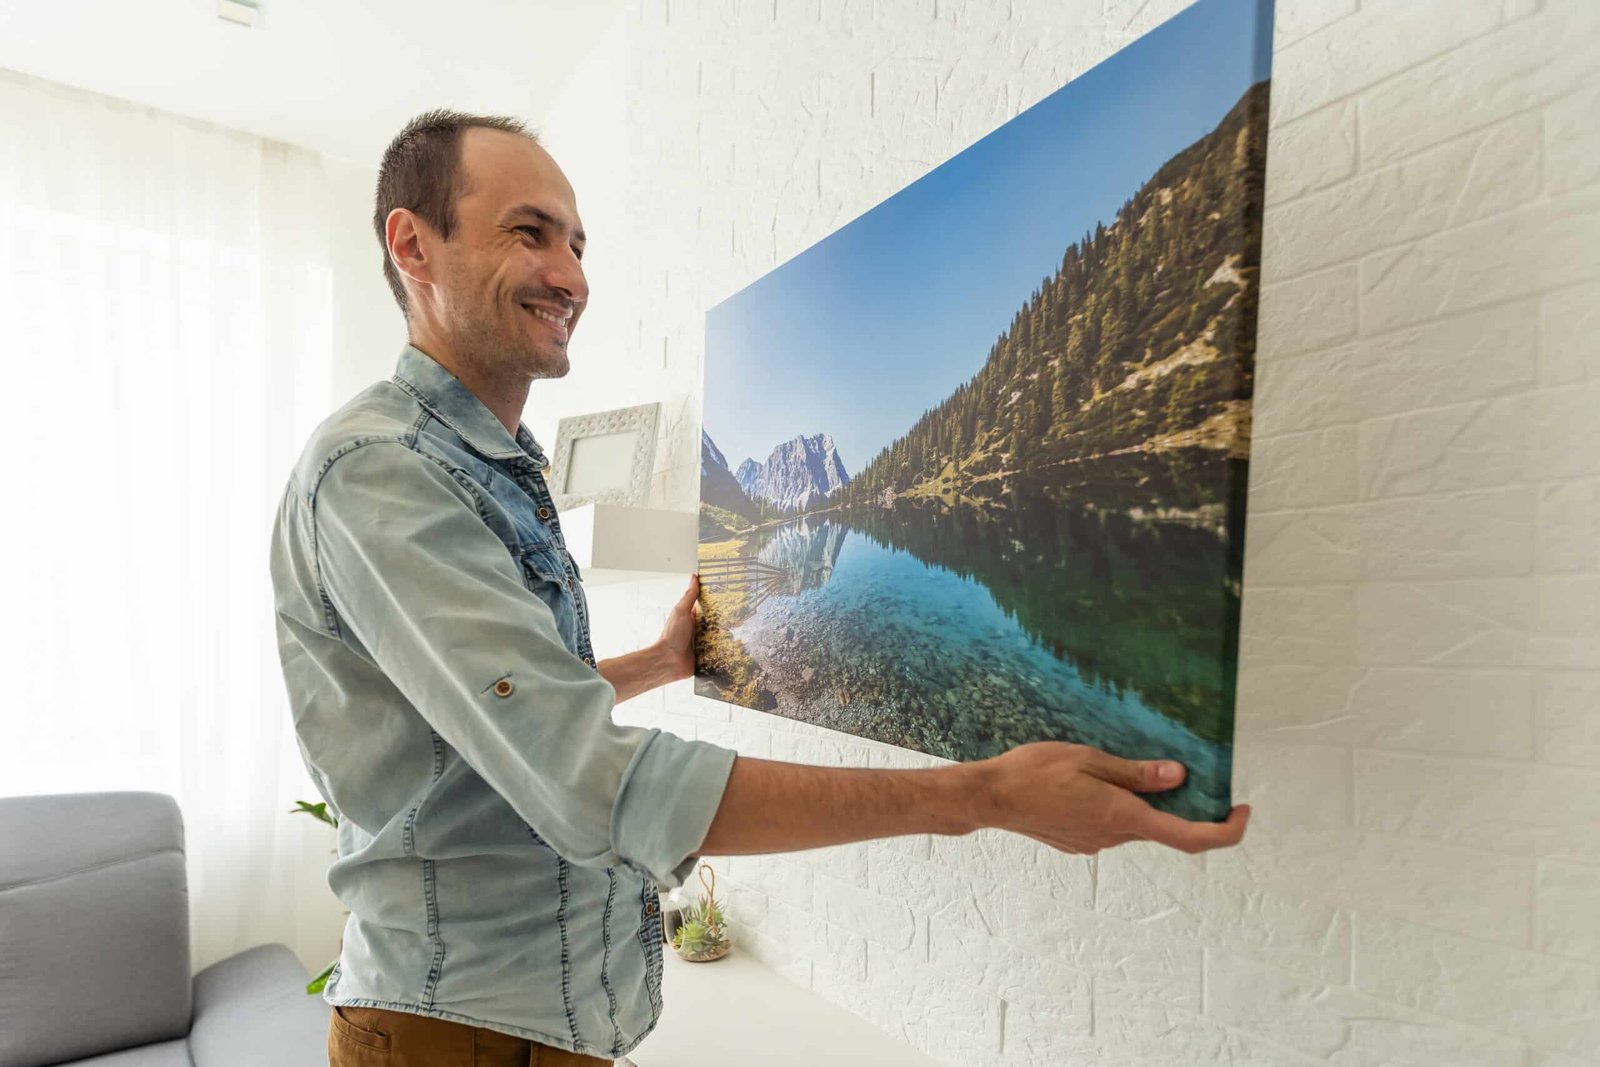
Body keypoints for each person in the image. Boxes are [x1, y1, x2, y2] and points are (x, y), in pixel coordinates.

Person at [269, 109, 1250, 1067]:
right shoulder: (382, 469)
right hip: (459, 1035)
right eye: (529, 234)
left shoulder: (492, 465)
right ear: (415, 245)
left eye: (575, 242)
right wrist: (986, 791)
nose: (570, 275)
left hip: (541, 1025)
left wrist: (658, 661)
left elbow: (486, 731)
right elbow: (581, 781)